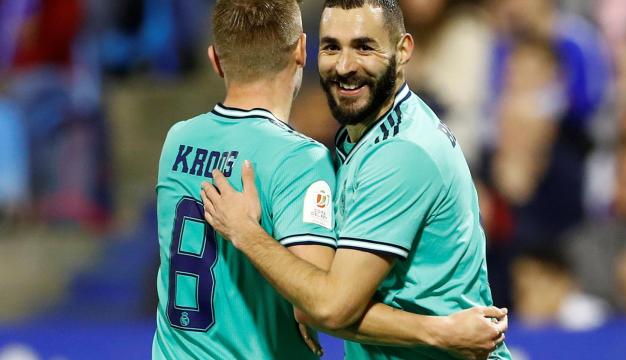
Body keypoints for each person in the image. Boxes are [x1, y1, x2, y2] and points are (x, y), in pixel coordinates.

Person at [155, 1, 506, 359]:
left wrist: (248, 234)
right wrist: (300, 290)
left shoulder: (400, 152)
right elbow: (317, 297)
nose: (344, 66)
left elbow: (327, 306)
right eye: (332, 47)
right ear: (305, 52)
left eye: (364, 47)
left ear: (403, 51)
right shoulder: (349, 142)